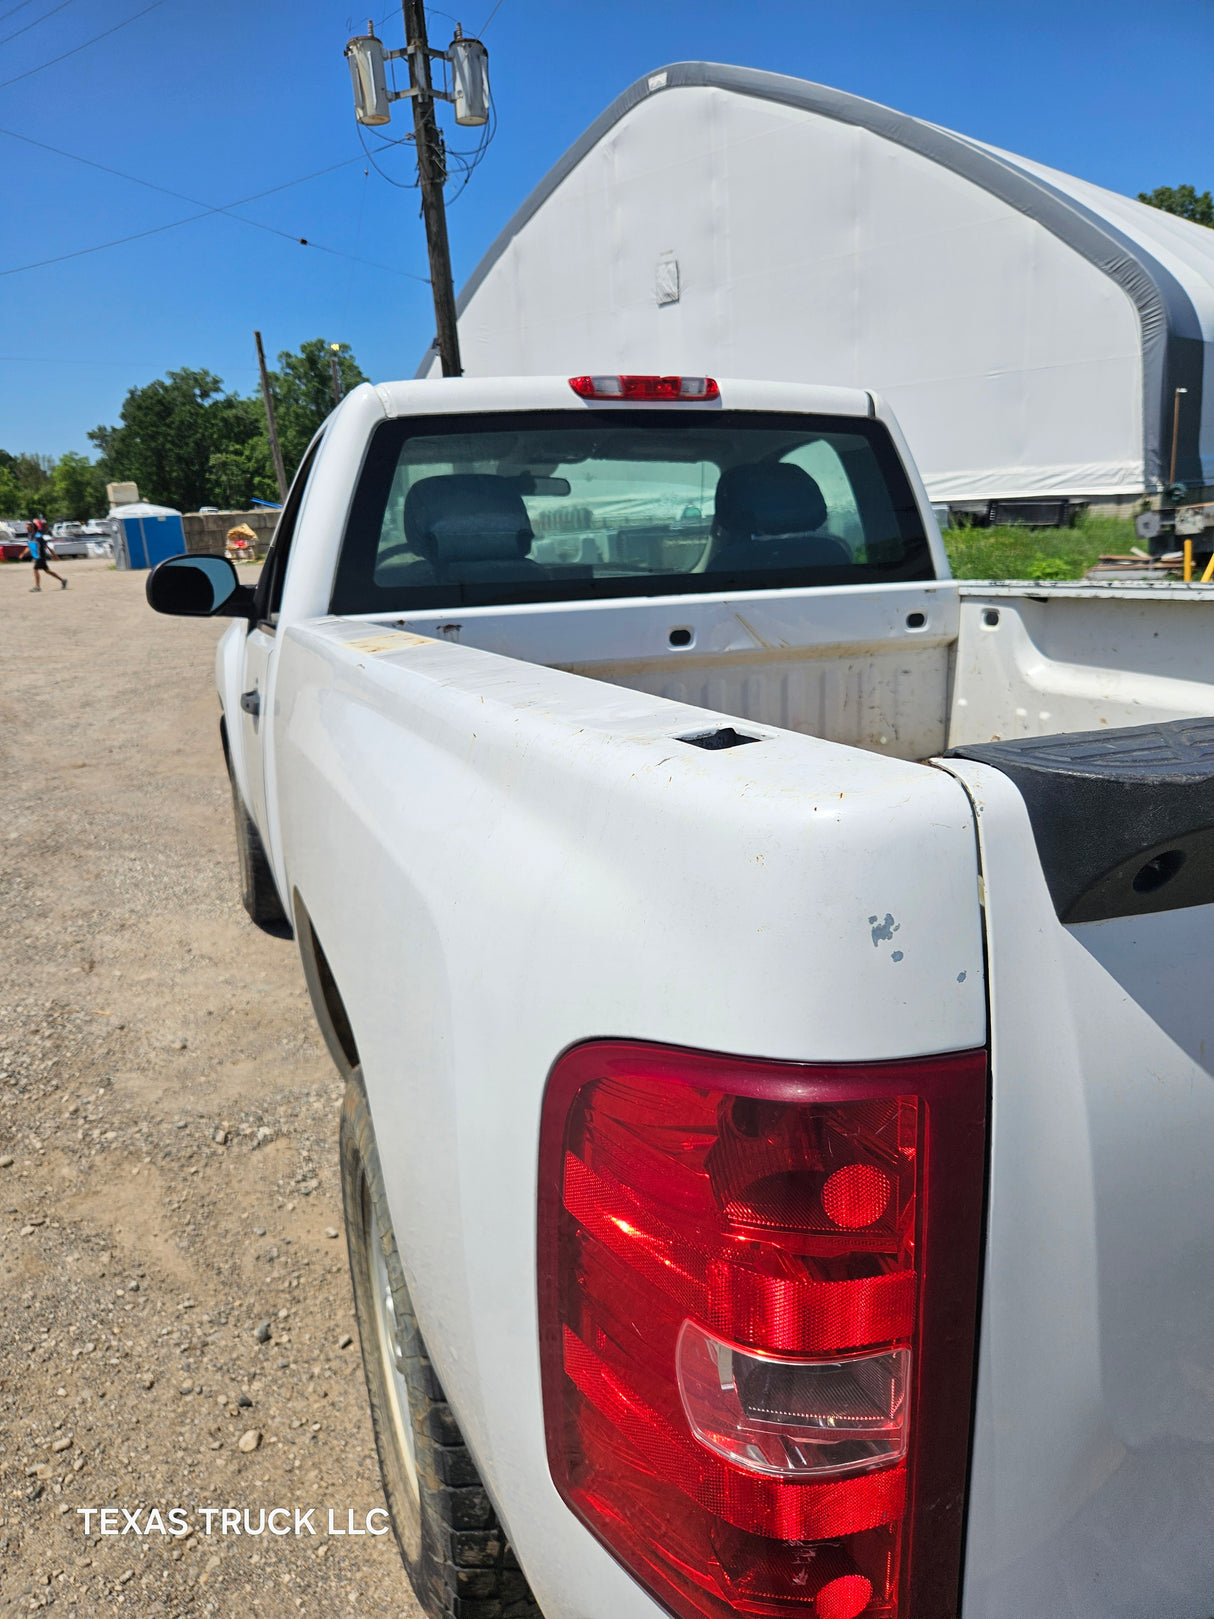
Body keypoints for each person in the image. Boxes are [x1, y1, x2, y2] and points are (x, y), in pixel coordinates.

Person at [27, 519, 66, 591]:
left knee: (35, 569)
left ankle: (37, 587)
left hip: (40, 556)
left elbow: (47, 546)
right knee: (47, 571)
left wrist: (54, 555)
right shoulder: (31, 535)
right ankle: (62, 580)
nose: (27, 529)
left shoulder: (38, 536)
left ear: (32, 528)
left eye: (28, 527)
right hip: (38, 556)